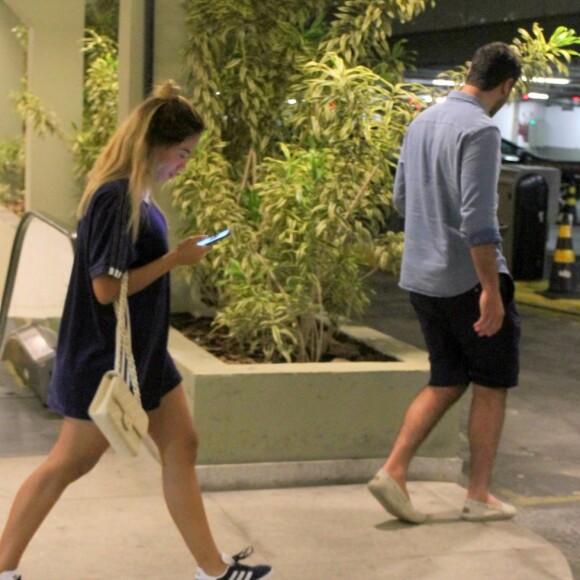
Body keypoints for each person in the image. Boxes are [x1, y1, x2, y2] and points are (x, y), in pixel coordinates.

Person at [0, 81, 272, 580]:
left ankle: (213, 570)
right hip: (105, 356)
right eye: (183, 152)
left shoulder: (136, 196)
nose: (185, 163)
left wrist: (175, 255)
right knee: (67, 464)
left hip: (143, 353)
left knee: (181, 443)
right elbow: (105, 288)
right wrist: (176, 259)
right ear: (156, 144)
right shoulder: (113, 197)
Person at [368, 42, 522, 524]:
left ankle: (393, 471)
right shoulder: (480, 130)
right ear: (505, 86)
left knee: (447, 378)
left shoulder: (422, 122)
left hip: (421, 277)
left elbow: (400, 199)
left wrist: (431, 229)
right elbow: (479, 220)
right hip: (465, 282)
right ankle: (478, 494)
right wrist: (490, 291)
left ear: (470, 72)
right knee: (492, 385)